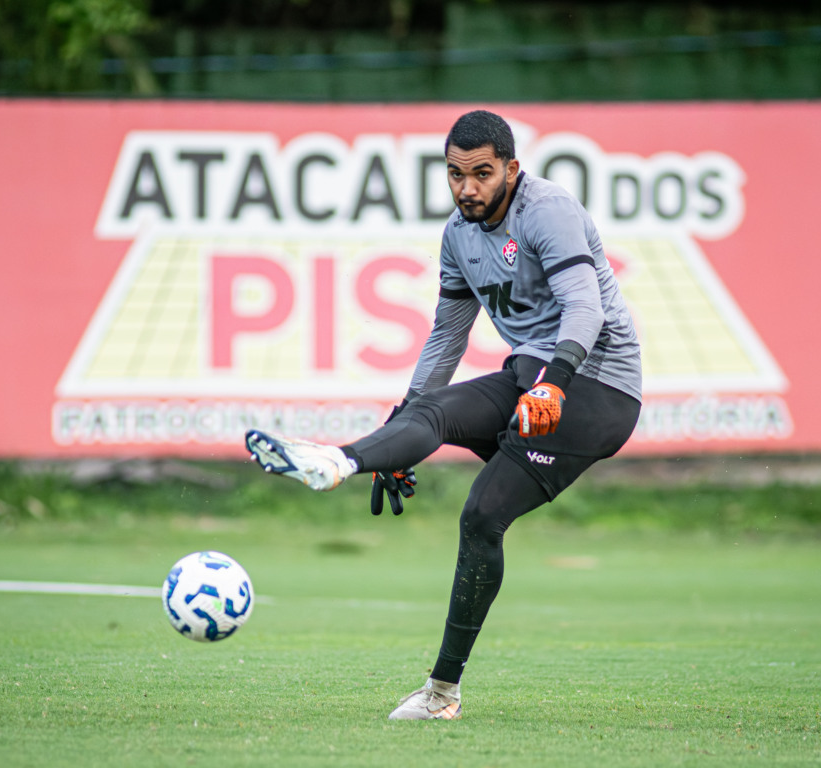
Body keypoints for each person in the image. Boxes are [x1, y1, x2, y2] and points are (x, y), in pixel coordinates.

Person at [245, 109, 642, 721]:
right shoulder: (459, 234)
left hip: (596, 385)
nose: (467, 189)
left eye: (482, 173)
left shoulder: (550, 209)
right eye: (456, 175)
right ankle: (338, 460)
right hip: (528, 375)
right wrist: (392, 442)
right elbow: (446, 339)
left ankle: (440, 695)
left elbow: (585, 310)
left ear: (512, 168)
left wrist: (554, 385)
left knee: (482, 514)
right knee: (428, 411)